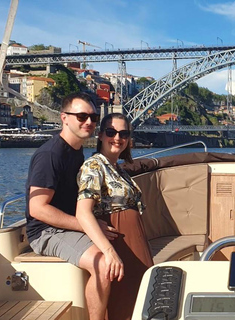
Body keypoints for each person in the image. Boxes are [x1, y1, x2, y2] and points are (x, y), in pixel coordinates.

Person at [25, 92, 117, 320]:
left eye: (94, 118)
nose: (89, 122)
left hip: (68, 227)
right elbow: (37, 208)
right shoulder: (50, 155)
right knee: (104, 262)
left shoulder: (76, 151)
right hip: (45, 232)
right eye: (82, 116)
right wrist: (88, 226)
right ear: (64, 118)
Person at [76, 112, 154, 320]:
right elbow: (83, 211)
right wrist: (109, 252)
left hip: (134, 242)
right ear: (100, 135)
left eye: (123, 133)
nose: (117, 138)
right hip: (118, 243)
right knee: (125, 303)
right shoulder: (94, 166)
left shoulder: (118, 169)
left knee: (142, 298)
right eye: (111, 132)